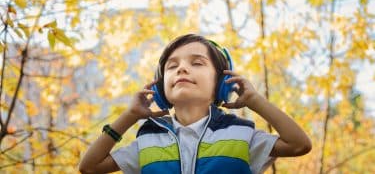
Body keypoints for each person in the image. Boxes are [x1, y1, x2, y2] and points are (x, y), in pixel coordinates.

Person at [79, 34, 312, 174]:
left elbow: (299, 145)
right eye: (172, 66)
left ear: (222, 83)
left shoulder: (241, 135)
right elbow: (89, 167)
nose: (181, 68)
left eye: (197, 63)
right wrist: (129, 116)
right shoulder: (148, 140)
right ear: (161, 89)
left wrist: (255, 101)